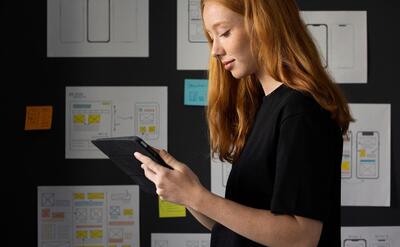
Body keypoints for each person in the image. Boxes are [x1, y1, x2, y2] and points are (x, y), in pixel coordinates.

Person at [134, 0, 353, 246]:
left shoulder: (300, 111)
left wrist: (198, 197)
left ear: (265, 24)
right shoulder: (263, 106)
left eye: (224, 32)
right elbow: (236, 230)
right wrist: (186, 194)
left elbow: (301, 237)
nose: (215, 50)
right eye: (211, 37)